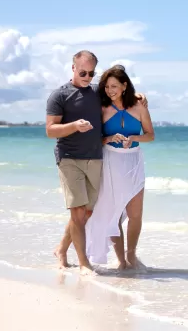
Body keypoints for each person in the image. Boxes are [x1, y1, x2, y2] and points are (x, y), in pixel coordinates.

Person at [45, 50, 148, 275]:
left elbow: (117, 92)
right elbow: (50, 130)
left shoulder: (96, 92)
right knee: (78, 211)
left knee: (89, 212)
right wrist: (74, 126)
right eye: (83, 72)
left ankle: (61, 248)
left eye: (91, 73)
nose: (87, 77)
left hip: (96, 158)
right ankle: (84, 263)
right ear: (73, 68)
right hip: (69, 157)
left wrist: (137, 95)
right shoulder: (59, 95)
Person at [84, 65, 154, 270]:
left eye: (114, 86)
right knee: (113, 212)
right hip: (111, 162)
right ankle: (121, 260)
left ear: (124, 86)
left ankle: (131, 255)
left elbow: (150, 135)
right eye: (107, 87)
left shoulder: (139, 106)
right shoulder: (102, 108)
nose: (110, 91)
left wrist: (134, 138)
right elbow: (93, 138)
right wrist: (108, 138)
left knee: (135, 214)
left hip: (134, 161)